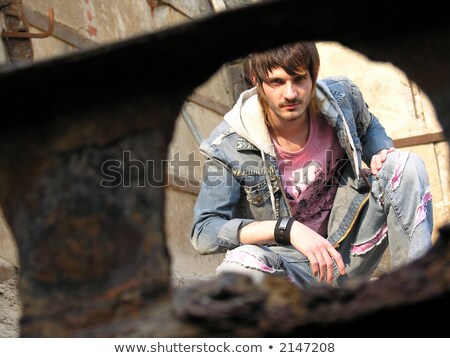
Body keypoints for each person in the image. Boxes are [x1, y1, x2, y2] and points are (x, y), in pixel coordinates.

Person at [190, 41, 433, 288]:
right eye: (277, 82)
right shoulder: (228, 145)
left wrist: (379, 150)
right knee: (240, 264)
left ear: (314, 74)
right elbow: (204, 231)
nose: (290, 93)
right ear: (257, 80)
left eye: (299, 79)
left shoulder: (342, 99)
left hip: (349, 252)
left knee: (404, 166)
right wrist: (286, 229)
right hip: (287, 270)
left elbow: (368, 125)